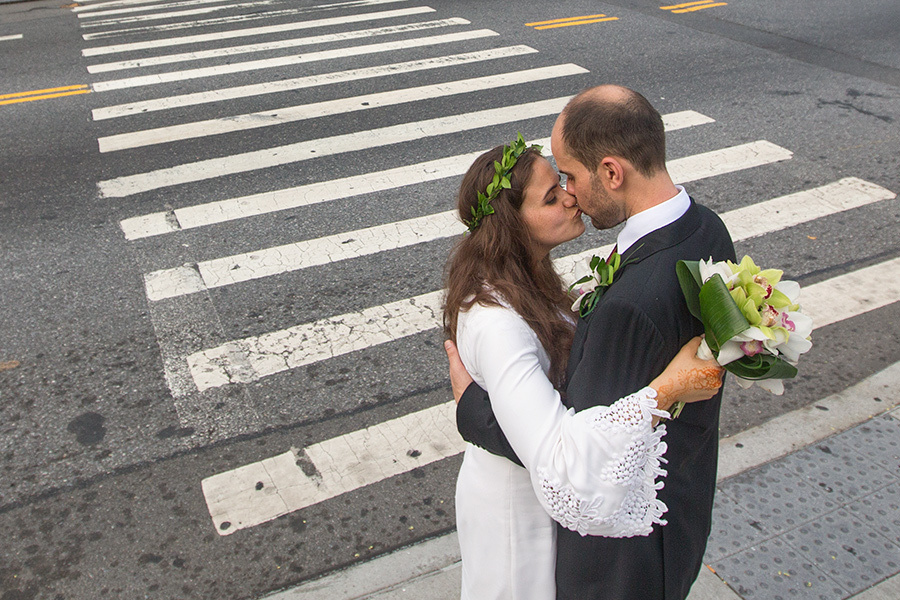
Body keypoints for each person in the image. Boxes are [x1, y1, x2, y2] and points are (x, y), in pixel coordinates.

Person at [451, 85, 737, 600]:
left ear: (611, 172)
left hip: (629, 550)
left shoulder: (624, 303)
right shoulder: (706, 228)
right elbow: (562, 452)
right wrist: (663, 391)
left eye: (570, 177)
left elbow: (575, 456)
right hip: (525, 524)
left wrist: (475, 410)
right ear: (511, 226)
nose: (569, 192)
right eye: (552, 189)